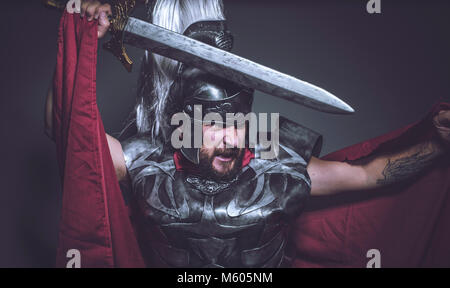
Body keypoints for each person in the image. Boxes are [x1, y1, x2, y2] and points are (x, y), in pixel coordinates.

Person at [45, 0, 450, 267]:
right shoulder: (144, 161)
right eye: (214, 127)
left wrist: (436, 143)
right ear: (182, 127)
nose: (232, 138)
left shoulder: (280, 161)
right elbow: (70, 134)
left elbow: (368, 174)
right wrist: (82, 43)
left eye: (238, 124)